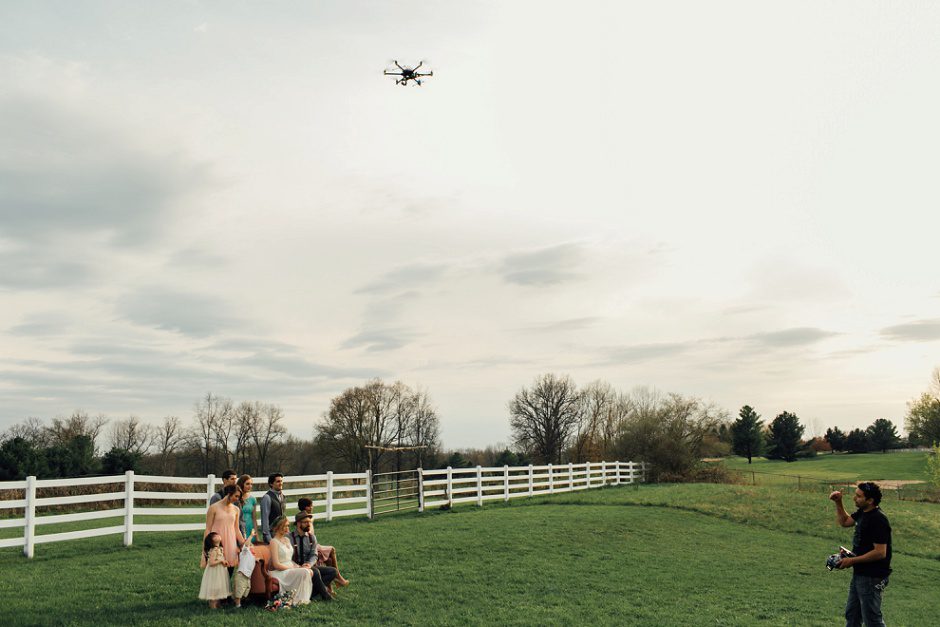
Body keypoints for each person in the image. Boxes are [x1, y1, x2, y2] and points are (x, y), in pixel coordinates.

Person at [829, 482, 892, 627]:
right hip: (861, 573)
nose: (854, 498)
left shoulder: (878, 519)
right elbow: (845, 522)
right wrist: (838, 502)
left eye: (858, 496)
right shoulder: (863, 513)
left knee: (872, 620)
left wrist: (852, 561)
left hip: (872, 576)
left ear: (870, 500)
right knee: (852, 616)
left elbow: (880, 552)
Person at [267, 516, 333, 603]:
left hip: (290, 567)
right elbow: (276, 564)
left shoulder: (286, 539)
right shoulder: (273, 542)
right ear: (278, 527)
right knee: (306, 572)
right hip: (280, 572)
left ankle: (310, 594)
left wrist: (298, 566)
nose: (288, 528)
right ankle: (315, 596)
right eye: (285, 526)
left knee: (309, 571)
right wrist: (294, 568)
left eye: (288, 526)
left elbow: (289, 559)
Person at [296, 497, 349, 588]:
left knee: (329, 559)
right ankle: (338, 578)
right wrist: (311, 521)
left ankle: (333, 583)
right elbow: (307, 536)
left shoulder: (307, 518)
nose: (312, 507)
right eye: (310, 506)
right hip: (310, 546)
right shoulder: (304, 519)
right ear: (306, 507)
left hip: (312, 544)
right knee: (332, 549)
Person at [205, 484, 246, 577]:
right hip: (217, 543)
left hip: (231, 543)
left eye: (239, 497)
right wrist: (205, 547)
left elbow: (236, 529)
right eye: (236, 496)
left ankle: (226, 590)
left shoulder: (236, 509)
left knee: (229, 570)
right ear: (228, 493)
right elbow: (208, 528)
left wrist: (244, 543)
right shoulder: (213, 508)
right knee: (217, 571)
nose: (237, 499)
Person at [199, 532, 231, 609]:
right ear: (211, 540)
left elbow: (221, 558)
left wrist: (224, 562)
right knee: (214, 587)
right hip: (214, 572)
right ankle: (213, 605)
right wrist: (221, 561)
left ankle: (218, 603)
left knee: (219, 587)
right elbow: (211, 563)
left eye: (217, 534)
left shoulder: (220, 549)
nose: (218, 535)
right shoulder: (214, 550)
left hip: (220, 571)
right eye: (214, 536)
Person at [260, 473, 285, 543]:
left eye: (281, 481)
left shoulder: (282, 496)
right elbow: (265, 519)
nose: (281, 483)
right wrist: (268, 537)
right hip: (271, 534)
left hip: (281, 533)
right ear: (271, 484)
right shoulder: (267, 497)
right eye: (278, 481)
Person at [236, 475, 258, 541]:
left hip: (250, 527)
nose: (250, 486)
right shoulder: (236, 498)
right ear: (241, 484)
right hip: (239, 527)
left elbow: (254, 518)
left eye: (251, 484)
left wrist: (256, 533)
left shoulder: (253, 499)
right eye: (247, 484)